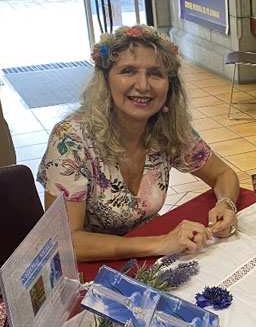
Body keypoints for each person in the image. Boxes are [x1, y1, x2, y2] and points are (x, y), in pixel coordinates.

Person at [37, 25, 239, 262]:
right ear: (105, 80)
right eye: (128, 71)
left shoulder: (166, 128)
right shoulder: (71, 140)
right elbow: (65, 242)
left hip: (149, 255)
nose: (143, 85)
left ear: (169, 86)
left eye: (155, 73)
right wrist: (161, 243)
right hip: (94, 265)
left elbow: (223, 174)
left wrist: (226, 204)